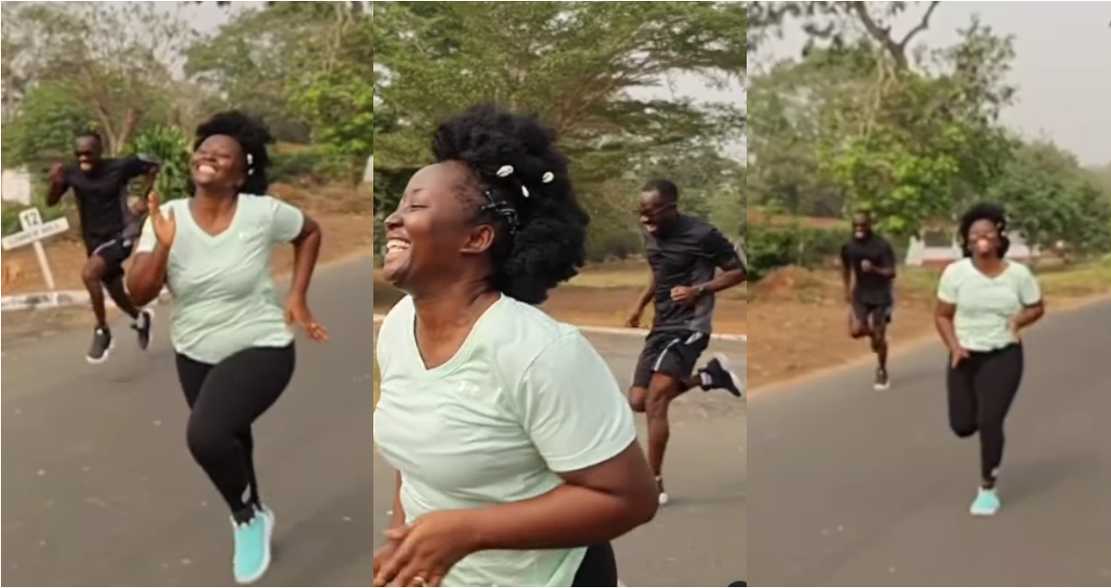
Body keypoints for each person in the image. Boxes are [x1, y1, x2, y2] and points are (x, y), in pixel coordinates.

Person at [373, 105, 659, 587]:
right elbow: (417, 457)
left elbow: (630, 499)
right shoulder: (399, 325)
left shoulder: (538, 353)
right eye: (400, 206)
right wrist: (406, 546)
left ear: (476, 238)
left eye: (415, 207)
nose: (392, 219)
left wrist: (467, 532)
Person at [127, 111, 328, 583]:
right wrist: (164, 246)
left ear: (241, 174)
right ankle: (255, 508)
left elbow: (310, 232)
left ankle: (245, 518)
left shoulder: (262, 212)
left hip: (262, 345)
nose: (208, 157)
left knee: (206, 435)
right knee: (232, 438)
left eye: (222, 155)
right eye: (203, 150)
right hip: (194, 351)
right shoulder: (167, 216)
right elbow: (137, 292)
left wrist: (298, 295)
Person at [625, 179, 746, 506]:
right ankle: (710, 376)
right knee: (638, 400)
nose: (645, 219)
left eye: (651, 212)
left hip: (691, 324)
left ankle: (654, 481)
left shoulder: (702, 234)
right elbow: (660, 271)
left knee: (656, 401)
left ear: (671, 208)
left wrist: (698, 290)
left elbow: (738, 272)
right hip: (661, 324)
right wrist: (639, 305)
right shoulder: (651, 233)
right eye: (641, 212)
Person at [934, 202, 1044, 517]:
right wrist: (954, 346)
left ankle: (987, 487)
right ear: (967, 241)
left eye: (987, 232)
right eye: (974, 234)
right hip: (964, 356)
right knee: (962, 425)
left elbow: (1037, 306)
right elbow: (942, 315)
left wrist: (1019, 320)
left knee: (990, 420)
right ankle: (983, 463)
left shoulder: (1018, 274)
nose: (981, 238)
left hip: (1004, 354)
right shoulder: (955, 273)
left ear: (999, 237)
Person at [46, 131, 159, 363]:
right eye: (78, 154)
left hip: (121, 233)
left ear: (100, 151)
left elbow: (154, 165)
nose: (83, 158)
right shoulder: (71, 172)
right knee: (116, 291)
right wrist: (55, 183)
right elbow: (51, 201)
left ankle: (102, 330)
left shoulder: (120, 166)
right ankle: (140, 317)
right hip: (93, 240)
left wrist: (143, 198)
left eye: (88, 153)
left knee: (89, 274)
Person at [840, 210, 896, 390]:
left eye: (862, 225)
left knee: (879, 340)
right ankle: (874, 334)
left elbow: (891, 272)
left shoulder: (881, 246)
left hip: (881, 295)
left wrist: (873, 269)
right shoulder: (849, 246)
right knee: (855, 331)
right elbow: (846, 268)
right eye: (856, 225)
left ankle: (882, 370)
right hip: (861, 294)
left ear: (870, 225)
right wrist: (846, 289)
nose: (859, 229)